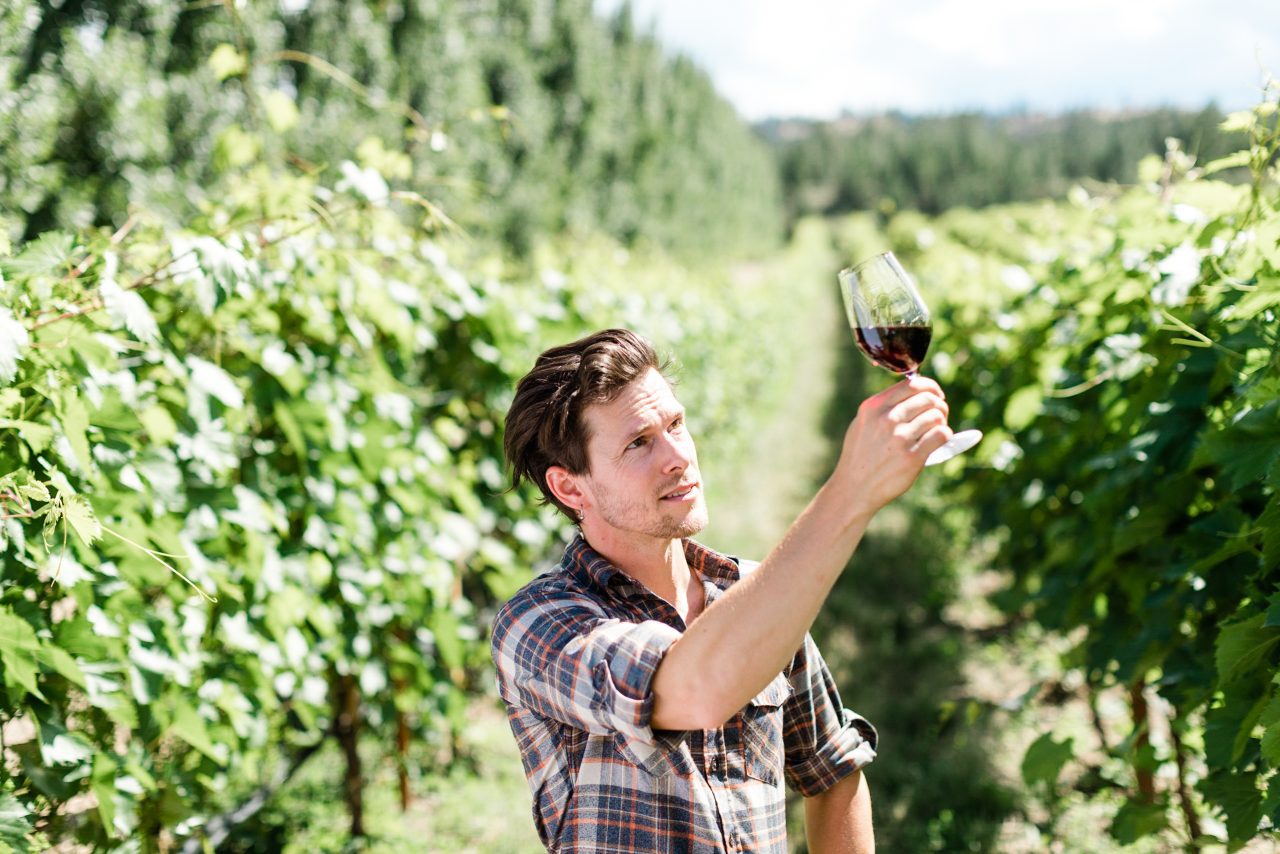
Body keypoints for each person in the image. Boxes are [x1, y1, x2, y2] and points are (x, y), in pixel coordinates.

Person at [491, 328, 953, 853]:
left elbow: (831, 769)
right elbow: (696, 688)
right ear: (570, 487)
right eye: (638, 443)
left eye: (676, 425)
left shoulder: (753, 594)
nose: (677, 456)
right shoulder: (537, 623)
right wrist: (851, 491)